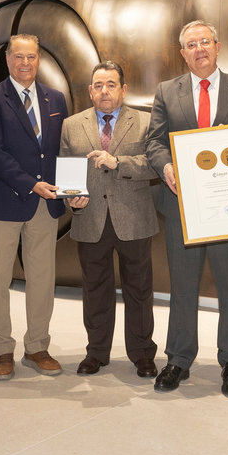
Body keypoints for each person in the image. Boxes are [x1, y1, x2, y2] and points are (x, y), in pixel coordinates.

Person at [146, 20, 228, 397]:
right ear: (182, 52)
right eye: (191, 44)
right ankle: (178, 360)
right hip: (181, 206)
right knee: (182, 287)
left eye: (205, 41)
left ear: (218, 46)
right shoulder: (167, 92)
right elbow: (155, 142)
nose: (199, 48)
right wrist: (167, 166)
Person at [61, 61, 160, 378]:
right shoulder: (71, 125)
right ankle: (96, 352)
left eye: (111, 84)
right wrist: (71, 199)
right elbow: (67, 172)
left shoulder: (146, 123)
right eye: (99, 85)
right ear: (90, 91)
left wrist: (118, 162)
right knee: (95, 291)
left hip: (134, 220)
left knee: (139, 291)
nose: (105, 91)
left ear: (124, 89)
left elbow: (157, 165)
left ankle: (143, 354)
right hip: (89, 220)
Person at [0, 34, 67, 380]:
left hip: (46, 205)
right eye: (18, 57)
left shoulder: (54, 98)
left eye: (31, 57)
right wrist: (30, 182)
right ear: (8, 59)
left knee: (42, 279)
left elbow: (60, 150)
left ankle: (38, 346)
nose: (25, 63)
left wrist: (71, 188)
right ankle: (1, 350)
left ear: (39, 58)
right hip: (5, 202)